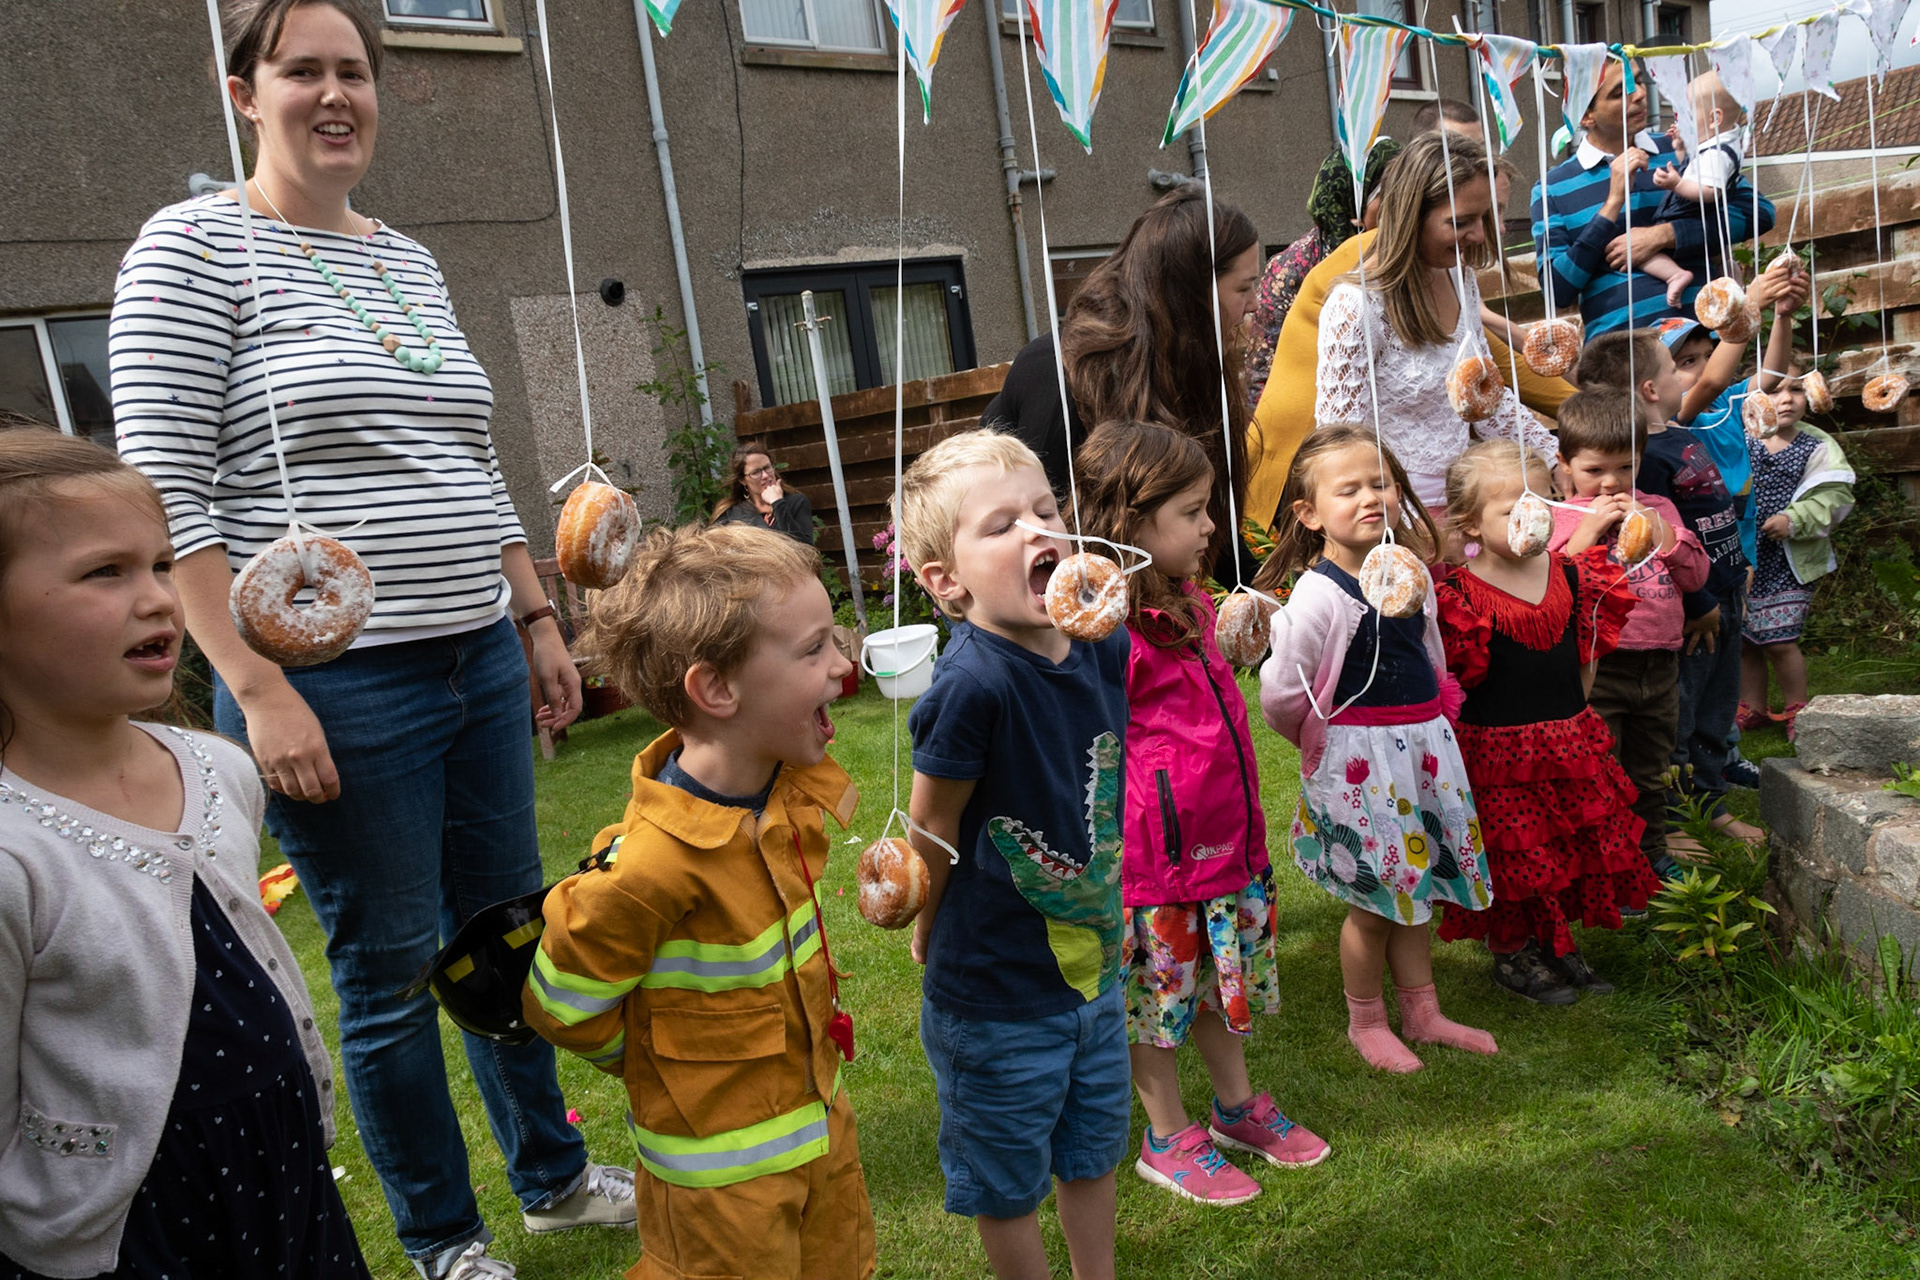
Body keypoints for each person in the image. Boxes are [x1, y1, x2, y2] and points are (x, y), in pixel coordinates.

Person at [107, 4, 629, 1275]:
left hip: (476, 652)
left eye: (355, 71)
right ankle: (445, 1236)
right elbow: (165, 492)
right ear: (245, 91)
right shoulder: (191, 248)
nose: (335, 94)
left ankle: (553, 1177)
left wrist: (534, 614)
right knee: (392, 969)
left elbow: (468, 460)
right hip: (336, 684)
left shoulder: (407, 259)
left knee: (505, 928)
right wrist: (256, 684)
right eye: (303, 71)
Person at [0, 428, 367, 1279]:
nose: (160, 600)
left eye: (162, 565)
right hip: (130, 1222)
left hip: (283, 1166)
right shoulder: (15, 855)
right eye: (106, 572)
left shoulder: (217, 770)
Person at [524, 523, 873, 1280]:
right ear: (717, 689)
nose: (843, 665)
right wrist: (658, 1058)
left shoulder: (784, 798)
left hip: (819, 1136)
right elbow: (560, 1003)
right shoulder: (653, 863)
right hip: (719, 1192)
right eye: (813, 649)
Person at [1072, 421, 1327, 1205]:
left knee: (1218, 983)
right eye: (1191, 512)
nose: (1211, 525)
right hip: (1157, 865)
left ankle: (1235, 1107)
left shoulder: (1190, 602)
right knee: (1158, 1001)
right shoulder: (1105, 631)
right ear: (1129, 522)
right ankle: (1166, 1134)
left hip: (1224, 845)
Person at [896, 431, 1130, 1280]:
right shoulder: (972, 685)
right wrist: (926, 920)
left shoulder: (1101, 642)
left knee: (1092, 1150)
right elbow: (933, 825)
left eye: (1046, 511)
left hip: (1094, 973)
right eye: (1001, 526)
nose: (1039, 531)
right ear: (946, 581)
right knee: (1005, 1180)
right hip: (994, 992)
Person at [1254, 426, 1495, 1072]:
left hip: (1420, 752)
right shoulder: (1320, 595)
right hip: (1361, 768)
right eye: (1349, 489)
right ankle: (1367, 1021)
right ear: (1308, 513)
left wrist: (1435, 714)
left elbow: (1430, 650)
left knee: (1414, 887)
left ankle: (1423, 1013)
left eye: (1381, 484)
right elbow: (1281, 691)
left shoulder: (1408, 572)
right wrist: (1320, 740)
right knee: (1375, 899)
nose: (1370, 498)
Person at [1434, 441, 1658, 1004]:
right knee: (1517, 852)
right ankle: (1514, 951)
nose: (1529, 517)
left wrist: (1576, 721)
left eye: (1540, 503)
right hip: (1498, 755)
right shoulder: (1456, 595)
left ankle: (1557, 943)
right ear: (1471, 523)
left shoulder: (1574, 575)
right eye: (1511, 509)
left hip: (1566, 740)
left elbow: (1586, 652)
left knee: (1563, 846)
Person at [980, 186, 1261, 581]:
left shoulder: (1189, 366)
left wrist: (1258, 591)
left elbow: (1203, 512)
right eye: (1244, 288)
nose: (1255, 304)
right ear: (1190, 293)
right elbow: (1044, 537)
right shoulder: (1062, 373)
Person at [1291, 132, 1561, 517]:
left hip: (1464, 501)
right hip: (1396, 511)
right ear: (1411, 216)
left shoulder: (1459, 277)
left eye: (1483, 217)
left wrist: (1552, 457)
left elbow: (1488, 398)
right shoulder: (1356, 305)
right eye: (1460, 222)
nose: (1479, 234)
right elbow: (1342, 443)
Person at [1546, 390, 1708, 876]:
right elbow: (1552, 585)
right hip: (1601, 667)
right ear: (1565, 464)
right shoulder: (1562, 518)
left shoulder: (1659, 509)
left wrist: (1662, 534)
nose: (1611, 482)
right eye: (1595, 469)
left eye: (1625, 466)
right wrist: (1588, 532)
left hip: (1659, 664)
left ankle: (1651, 852)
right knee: (1603, 767)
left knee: (1652, 767)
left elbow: (1695, 576)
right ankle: (1608, 864)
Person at [1530, 57, 1773, 337]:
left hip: (1704, 341)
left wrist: (1664, 235)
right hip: (1619, 353)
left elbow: (1760, 212)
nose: (1640, 95)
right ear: (1585, 116)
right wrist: (1612, 205)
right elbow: (1557, 291)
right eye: (1620, 92)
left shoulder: (1683, 147)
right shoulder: (1552, 188)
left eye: (1639, 81)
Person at [1741, 364, 1856, 736]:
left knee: (1781, 640)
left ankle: (1797, 710)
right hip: (1746, 555)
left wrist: (1794, 519)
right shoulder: (1741, 439)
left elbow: (1834, 497)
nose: (1786, 399)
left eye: (1796, 390)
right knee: (1745, 641)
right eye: (1774, 391)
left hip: (1789, 559)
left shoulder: (1817, 446)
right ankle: (1753, 708)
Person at [1244, 143, 1400, 412]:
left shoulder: (1402, 257)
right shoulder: (1293, 268)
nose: (1401, 206)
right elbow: (1262, 373)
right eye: (1389, 194)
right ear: (1353, 199)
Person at [1641, 71, 1750, 306]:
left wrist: (1676, 184)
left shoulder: (1718, 154)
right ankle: (1731, 273)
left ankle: (1675, 275)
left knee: (1641, 251)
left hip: (1687, 214)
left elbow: (1710, 191)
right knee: (1719, 255)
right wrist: (1680, 148)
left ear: (1714, 119)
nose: (1680, 122)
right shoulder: (1714, 145)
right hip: (1702, 217)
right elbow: (1693, 168)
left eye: (1687, 116)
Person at [711, 439, 815, 543]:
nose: (765, 475)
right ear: (742, 480)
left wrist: (777, 503)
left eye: (767, 468)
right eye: (756, 472)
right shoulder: (731, 514)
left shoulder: (796, 503)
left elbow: (804, 547)